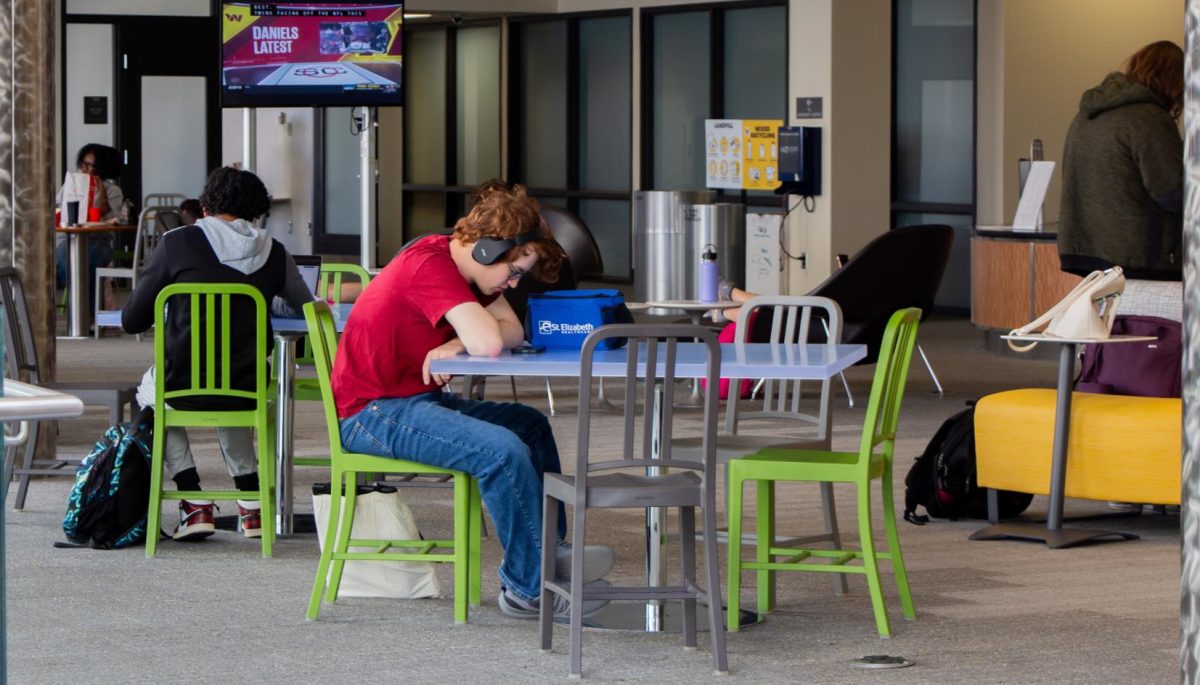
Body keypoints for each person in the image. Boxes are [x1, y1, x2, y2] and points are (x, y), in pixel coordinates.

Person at [330, 180, 614, 619]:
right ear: (485, 250)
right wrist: (469, 342)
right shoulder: (430, 262)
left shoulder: (475, 278)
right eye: (514, 272)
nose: (514, 283)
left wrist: (453, 347)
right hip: (373, 412)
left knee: (528, 424)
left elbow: (512, 331)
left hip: (414, 402)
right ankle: (527, 589)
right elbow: (488, 341)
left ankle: (547, 554)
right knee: (501, 452)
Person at [122, 167, 314, 541]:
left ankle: (192, 501)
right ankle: (251, 504)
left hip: (182, 383)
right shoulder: (274, 251)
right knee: (230, 382)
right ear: (256, 210)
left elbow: (132, 319)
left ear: (206, 206)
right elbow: (304, 306)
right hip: (247, 384)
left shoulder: (177, 243)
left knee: (148, 397)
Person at [1058, 40, 1183, 282]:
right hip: (1136, 255)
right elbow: (1172, 193)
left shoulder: (1088, 113)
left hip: (1083, 251)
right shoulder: (1149, 118)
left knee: (1107, 320)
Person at [55, 143, 126, 292]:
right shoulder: (71, 185)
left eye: (92, 166)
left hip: (98, 240)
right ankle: (80, 298)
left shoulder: (113, 190)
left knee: (92, 258)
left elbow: (110, 217)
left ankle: (86, 305)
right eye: (84, 164)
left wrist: (100, 190)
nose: (86, 169)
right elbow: (58, 207)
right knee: (63, 257)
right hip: (70, 239)